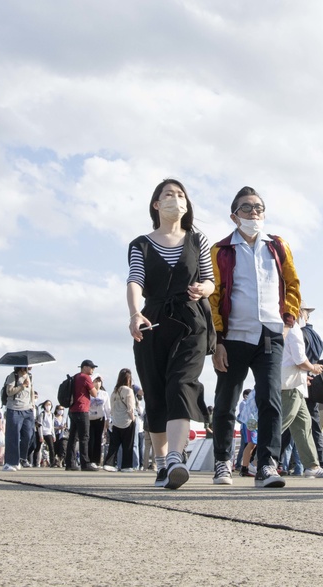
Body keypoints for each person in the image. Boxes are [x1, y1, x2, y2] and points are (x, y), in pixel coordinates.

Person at [210, 186, 302, 489]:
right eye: (247, 208)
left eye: (259, 208)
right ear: (234, 215)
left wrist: (287, 320)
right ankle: (223, 462)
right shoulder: (221, 250)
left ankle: (266, 465)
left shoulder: (277, 246)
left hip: (270, 335)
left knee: (270, 400)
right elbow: (215, 296)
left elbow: (292, 284)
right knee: (226, 401)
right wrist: (218, 340)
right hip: (234, 335)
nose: (254, 213)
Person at [127, 179, 214, 489]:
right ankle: (162, 463)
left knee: (181, 383)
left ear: (186, 205)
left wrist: (205, 288)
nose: (175, 199)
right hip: (153, 322)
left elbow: (210, 280)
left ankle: (176, 457)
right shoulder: (141, 244)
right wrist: (135, 313)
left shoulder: (197, 239)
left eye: (180, 195)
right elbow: (135, 280)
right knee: (155, 391)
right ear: (156, 205)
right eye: (168, 195)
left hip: (192, 321)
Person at [279, 306, 323, 478]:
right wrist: (313, 368)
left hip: (294, 383)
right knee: (282, 423)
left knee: (304, 424)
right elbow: (300, 359)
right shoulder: (294, 330)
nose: (307, 317)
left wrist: (304, 374)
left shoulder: (284, 329)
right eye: (306, 313)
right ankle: (257, 460)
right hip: (290, 385)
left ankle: (312, 465)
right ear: (299, 313)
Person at [65, 360, 100, 471]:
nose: (93, 369)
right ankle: (85, 463)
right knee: (84, 437)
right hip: (82, 410)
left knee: (73, 438)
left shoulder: (75, 377)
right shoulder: (85, 378)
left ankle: (70, 463)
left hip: (73, 410)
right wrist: (95, 386)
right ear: (84, 367)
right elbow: (94, 393)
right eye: (91, 367)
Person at [103, 369, 138, 473]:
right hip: (127, 421)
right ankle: (126, 466)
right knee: (128, 445)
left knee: (114, 444)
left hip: (116, 421)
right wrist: (133, 419)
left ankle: (109, 463)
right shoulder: (129, 390)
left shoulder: (114, 391)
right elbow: (130, 408)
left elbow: (111, 408)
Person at [2, 366, 36, 472]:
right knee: (13, 436)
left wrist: (33, 404)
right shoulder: (13, 376)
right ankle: (10, 462)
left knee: (29, 435)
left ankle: (21, 457)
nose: (29, 367)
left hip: (28, 409)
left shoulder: (30, 376)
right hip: (14, 409)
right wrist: (22, 385)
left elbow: (31, 391)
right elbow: (9, 391)